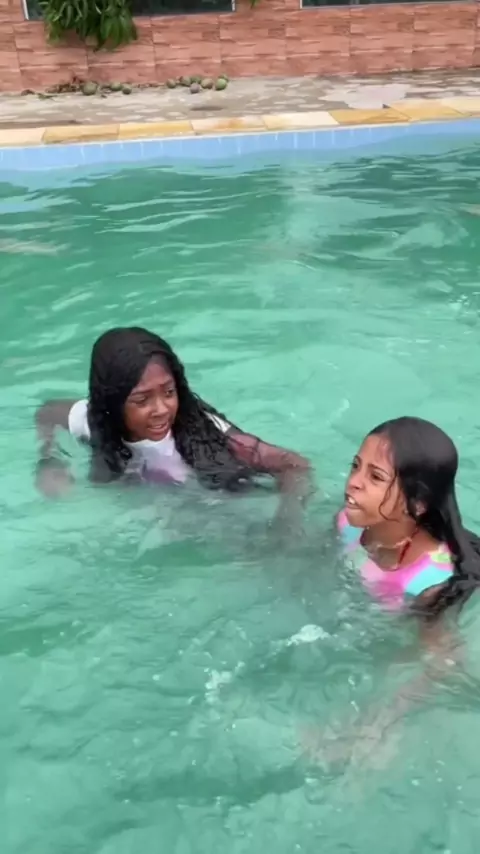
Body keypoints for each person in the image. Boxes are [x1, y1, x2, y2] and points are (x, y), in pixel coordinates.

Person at [305, 417, 480, 768]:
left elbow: (441, 660)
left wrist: (382, 720)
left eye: (375, 477)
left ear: (417, 503)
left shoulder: (431, 580)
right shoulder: (348, 523)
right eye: (356, 466)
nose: (353, 483)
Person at [35, 327, 312, 523]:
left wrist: (287, 523)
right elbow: (47, 413)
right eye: (142, 400)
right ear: (111, 401)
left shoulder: (206, 431)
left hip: (239, 517)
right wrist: (49, 459)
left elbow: (293, 465)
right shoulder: (94, 419)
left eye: (169, 392)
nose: (162, 410)